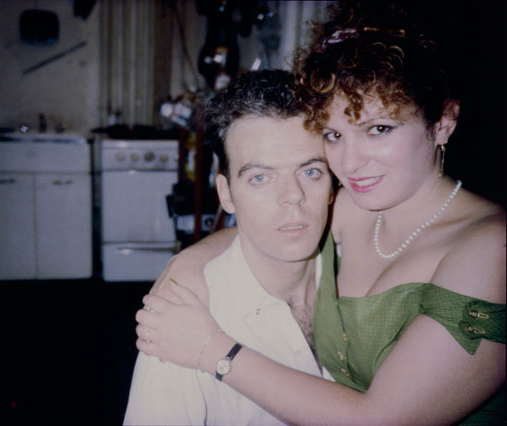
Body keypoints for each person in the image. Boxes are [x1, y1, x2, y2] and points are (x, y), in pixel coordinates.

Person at [135, 1, 506, 424]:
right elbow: (277, 219)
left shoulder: (492, 247)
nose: (349, 163)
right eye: (334, 135)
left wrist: (212, 350)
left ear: (443, 121)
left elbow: (381, 420)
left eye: (378, 129)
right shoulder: (353, 205)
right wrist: (189, 263)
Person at [124, 69, 336, 425]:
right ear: (226, 194)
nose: (292, 197)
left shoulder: (362, 272)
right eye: (260, 177)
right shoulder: (182, 320)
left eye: (310, 171)